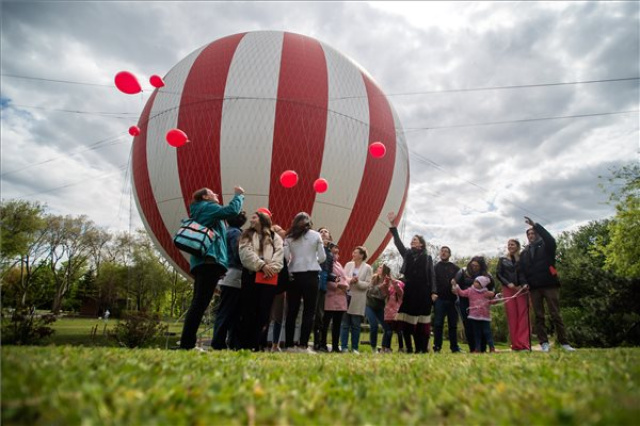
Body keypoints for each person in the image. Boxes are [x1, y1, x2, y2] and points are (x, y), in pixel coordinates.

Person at [178, 186, 244, 350]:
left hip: (202, 261)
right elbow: (231, 211)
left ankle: (187, 342)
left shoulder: (199, 210)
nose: (216, 194)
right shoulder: (208, 207)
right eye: (213, 193)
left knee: (198, 302)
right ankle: (187, 344)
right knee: (200, 303)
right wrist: (239, 195)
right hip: (210, 260)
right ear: (206, 197)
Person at [520, 217, 575, 352]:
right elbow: (521, 271)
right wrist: (524, 283)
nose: (531, 236)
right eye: (529, 234)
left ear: (538, 234)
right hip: (534, 288)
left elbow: (550, 239)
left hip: (550, 285)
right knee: (539, 316)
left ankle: (564, 343)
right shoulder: (524, 253)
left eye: (533, 233)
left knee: (555, 314)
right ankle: (544, 343)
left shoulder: (547, 246)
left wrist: (535, 225)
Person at [387, 211, 437, 353]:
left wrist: (434, 291)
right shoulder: (408, 253)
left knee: (421, 322)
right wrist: (393, 225)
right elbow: (397, 242)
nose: (412, 241)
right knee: (407, 321)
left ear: (421, 244)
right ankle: (409, 348)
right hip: (409, 290)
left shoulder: (428, 258)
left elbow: (432, 275)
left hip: (424, 292)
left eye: (415, 239)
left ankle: (421, 348)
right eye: (412, 239)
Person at [238, 208, 284, 351]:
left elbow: (279, 254)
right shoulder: (246, 235)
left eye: (254, 217)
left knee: (264, 312)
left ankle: (257, 344)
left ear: (263, 219)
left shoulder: (275, 236)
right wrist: (261, 265)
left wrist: (271, 269)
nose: (251, 219)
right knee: (248, 309)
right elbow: (245, 253)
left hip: (268, 277)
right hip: (251, 275)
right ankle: (245, 344)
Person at [283, 212, 326, 353]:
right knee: (309, 311)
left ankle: (289, 345)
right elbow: (323, 257)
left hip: (294, 274)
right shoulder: (316, 235)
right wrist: (313, 261)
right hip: (311, 275)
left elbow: (286, 257)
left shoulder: (289, 237)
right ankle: (303, 345)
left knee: (292, 311)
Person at [212, 211, 247, 350]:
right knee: (229, 312)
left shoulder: (224, 232)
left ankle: (230, 343)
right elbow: (239, 255)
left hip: (226, 275)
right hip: (234, 275)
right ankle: (220, 343)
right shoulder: (236, 234)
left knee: (229, 311)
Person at [452, 256, 495, 352]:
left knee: (482, 326)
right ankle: (473, 348)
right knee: (468, 325)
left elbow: (492, 287)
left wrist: (492, 294)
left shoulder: (487, 275)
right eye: (472, 265)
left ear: (481, 266)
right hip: (465, 301)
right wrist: (454, 288)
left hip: (481, 303)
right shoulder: (463, 271)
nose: (474, 267)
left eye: (477, 266)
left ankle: (483, 348)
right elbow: (455, 283)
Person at [496, 239, 531, 351]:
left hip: (521, 289)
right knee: (512, 316)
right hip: (508, 289)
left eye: (513, 244)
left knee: (523, 316)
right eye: (509, 244)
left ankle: (524, 344)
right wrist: (508, 283)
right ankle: (515, 344)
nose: (510, 246)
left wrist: (524, 284)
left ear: (517, 246)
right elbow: (499, 274)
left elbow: (525, 273)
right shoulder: (502, 260)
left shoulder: (522, 259)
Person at [340, 246, 372, 353]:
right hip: (346, 297)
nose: (353, 253)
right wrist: (350, 280)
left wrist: (357, 282)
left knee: (355, 325)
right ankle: (344, 346)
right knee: (344, 324)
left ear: (361, 255)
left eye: (356, 252)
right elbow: (343, 278)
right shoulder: (349, 265)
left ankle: (354, 348)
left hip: (358, 300)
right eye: (353, 251)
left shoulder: (368, 268)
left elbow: (367, 284)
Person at [433, 246, 462, 353]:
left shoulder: (455, 268)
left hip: (452, 300)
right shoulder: (435, 267)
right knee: (438, 324)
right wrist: (433, 293)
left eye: (446, 252)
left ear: (449, 255)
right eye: (442, 251)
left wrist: (457, 287)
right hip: (439, 299)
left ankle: (454, 347)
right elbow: (432, 282)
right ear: (440, 254)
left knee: (453, 325)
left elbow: (461, 279)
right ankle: (437, 347)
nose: (444, 253)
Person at [321, 243, 349, 352]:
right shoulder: (327, 264)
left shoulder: (339, 265)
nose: (336, 254)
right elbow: (327, 277)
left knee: (337, 324)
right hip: (330, 296)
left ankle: (335, 346)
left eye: (337, 252)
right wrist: (337, 286)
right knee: (326, 323)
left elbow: (344, 278)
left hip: (341, 297)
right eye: (334, 252)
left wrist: (345, 286)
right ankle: (323, 344)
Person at [313, 227, 337, 351]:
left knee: (319, 315)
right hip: (311, 282)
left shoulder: (330, 255)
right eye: (321, 231)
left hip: (322, 286)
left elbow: (328, 272)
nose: (323, 233)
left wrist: (335, 278)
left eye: (326, 231)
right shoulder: (313, 247)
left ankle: (318, 343)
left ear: (330, 237)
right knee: (310, 313)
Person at [365, 265, 392, 352]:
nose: (378, 269)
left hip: (380, 307)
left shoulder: (388, 282)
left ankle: (384, 348)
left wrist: (387, 287)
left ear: (385, 271)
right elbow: (369, 292)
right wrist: (381, 286)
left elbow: (387, 296)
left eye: (380, 268)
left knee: (388, 329)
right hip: (370, 305)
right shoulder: (374, 278)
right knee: (374, 326)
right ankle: (373, 348)